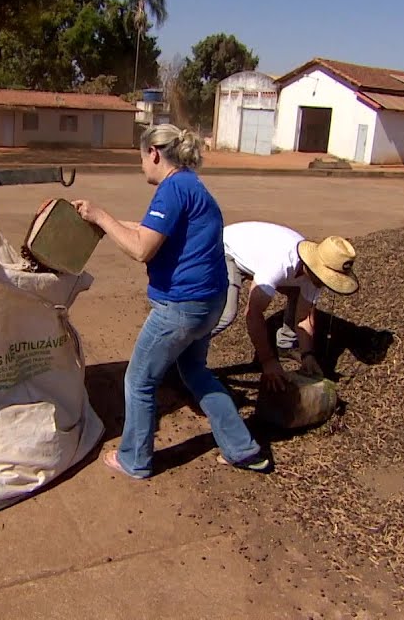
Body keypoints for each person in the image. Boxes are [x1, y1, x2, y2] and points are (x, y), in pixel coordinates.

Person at [72, 124, 271, 479]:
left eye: (141, 159)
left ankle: (135, 459)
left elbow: (140, 248)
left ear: (153, 154)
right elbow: (151, 230)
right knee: (194, 371)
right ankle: (243, 449)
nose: (141, 167)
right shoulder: (192, 185)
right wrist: (100, 220)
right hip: (210, 301)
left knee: (139, 381)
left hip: (182, 307)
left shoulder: (172, 190)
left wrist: (101, 215)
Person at [211, 221, 359, 391]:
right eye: (326, 278)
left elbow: (304, 318)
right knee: (226, 313)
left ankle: (285, 345)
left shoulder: (314, 276)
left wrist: (307, 355)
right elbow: (253, 313)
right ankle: (182, 349)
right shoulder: (280, 263)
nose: (324, 284)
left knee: (298, 292)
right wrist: (268, 362)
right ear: (314, 267)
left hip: (259, 258)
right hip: (225, 248)